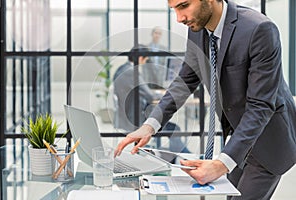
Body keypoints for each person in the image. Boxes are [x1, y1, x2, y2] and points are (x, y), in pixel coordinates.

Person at [115, 1, 296, 199]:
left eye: (184, 6)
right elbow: (185, 80)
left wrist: (221, 164)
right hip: (238, 137)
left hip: (268, 138)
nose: (179, 18)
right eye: (174, 9)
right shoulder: (197, 29)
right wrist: (149, 126)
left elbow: (260, 105)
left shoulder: (259, 29)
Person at [113, 44, 189, 153]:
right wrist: (167, 93)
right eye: (146, 58)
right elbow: (150, 96)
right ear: (140, 58)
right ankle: (183, 157)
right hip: (135, 118)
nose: (146, 61)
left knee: (167, 124)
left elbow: (142, 91)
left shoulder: (122, 69)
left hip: (127, 114)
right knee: (174, 129)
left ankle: (174, 156)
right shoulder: (131, 72)